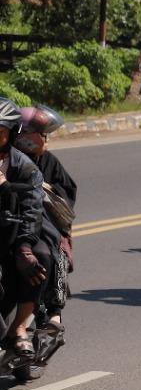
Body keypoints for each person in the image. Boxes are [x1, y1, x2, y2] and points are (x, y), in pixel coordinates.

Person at [14, 106, 75, 366]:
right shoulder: (10, 158)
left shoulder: (48, 162)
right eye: (42, 134)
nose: (46, 140)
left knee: (51, 252)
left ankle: (54, 315)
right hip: (10, 223)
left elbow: (67, 193)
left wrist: (47, 191)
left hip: (42, 225)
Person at [0, 99, 49, 366]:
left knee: (41, 256)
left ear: (11, 133)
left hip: (13, 233)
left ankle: (19, 327)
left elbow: (32, 208)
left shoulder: (25, 167)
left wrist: (24, 248)